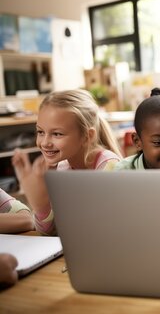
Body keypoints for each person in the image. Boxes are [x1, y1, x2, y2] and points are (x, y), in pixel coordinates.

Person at [11, 89, 122, 235]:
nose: (44, 143)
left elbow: (100, 231)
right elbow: (48, 233)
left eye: (57, 134)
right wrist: (40, 204)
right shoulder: (63, 167)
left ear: (87, 136)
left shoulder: (109, 167)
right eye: (40, 132)